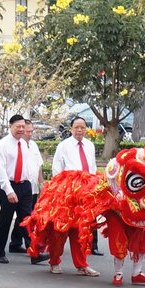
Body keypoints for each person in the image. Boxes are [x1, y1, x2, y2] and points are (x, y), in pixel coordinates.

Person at [43, 117, 101, 276]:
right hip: (66, 195)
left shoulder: (89, 145)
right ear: (71, 129)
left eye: (82, 127)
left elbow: (93, 168)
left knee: (82, 231)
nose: (80, 130)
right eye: (76, 127)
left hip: (85, 195)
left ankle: (82, 264)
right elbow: (57, 170)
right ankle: (54, 262)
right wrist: (61, 191)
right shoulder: (63, 146)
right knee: (60, 230)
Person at [0, 114, 49, 265]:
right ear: (10, 126)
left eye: (23, 127)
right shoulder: (3, 144)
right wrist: (9, 190)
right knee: (5, 220)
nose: (21, 130)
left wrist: (34, 184)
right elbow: (1, 170)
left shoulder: (24, 144)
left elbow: (30, 165)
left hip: (25, 186)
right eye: (18, 127)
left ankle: (34, 253)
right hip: (10, 186)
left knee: (27, 221)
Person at [9, 120, 43, 253]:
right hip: (20, 186)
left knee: (24, 216)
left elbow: (39, 165)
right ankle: (31, 246)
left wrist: (41, 182)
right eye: (27, 131)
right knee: (25, 216)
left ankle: (16, 242)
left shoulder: (33, 145)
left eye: (31, 131)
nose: (29, 134)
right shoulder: (17, 145)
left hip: (32, 187)